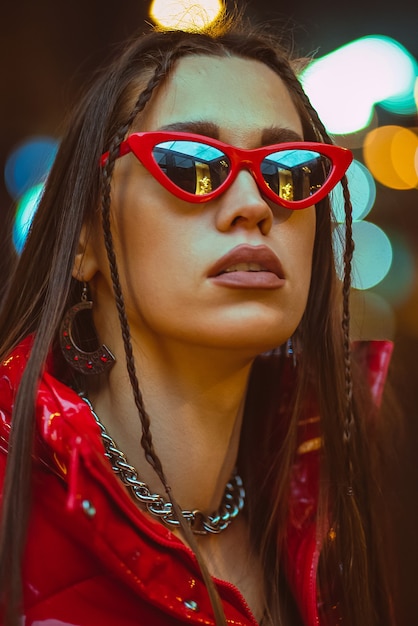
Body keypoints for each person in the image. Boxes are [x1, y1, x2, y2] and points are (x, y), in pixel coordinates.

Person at [0, 12, 395, 626]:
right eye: (190, 164)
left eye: (289, 172)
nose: (253, 207)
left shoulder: (333, 514)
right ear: (85, 242)